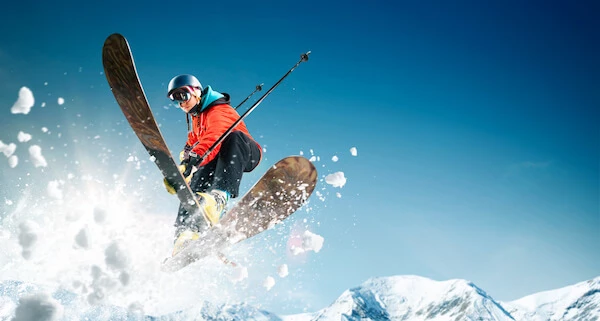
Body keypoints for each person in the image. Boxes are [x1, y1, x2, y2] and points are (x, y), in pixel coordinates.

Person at [163, 74, 262, 254]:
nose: (181, 103)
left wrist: (193, 159)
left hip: (244, 151)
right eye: (174, 99)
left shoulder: (219, 110)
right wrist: (183, 169)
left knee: (232, 138)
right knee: (193, 191)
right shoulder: (196, 118)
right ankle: (185, 234)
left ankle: (218, 198)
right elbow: (192, 143)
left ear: (196, 92)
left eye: (183, 96)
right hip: (215, 157)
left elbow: (214, 136)